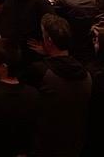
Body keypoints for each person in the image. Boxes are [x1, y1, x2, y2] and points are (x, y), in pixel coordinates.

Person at [28, 14, 92, 157]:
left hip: (45, 144)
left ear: (49, 40)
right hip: (75, 144)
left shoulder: (41, 71)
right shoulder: (86, 74)